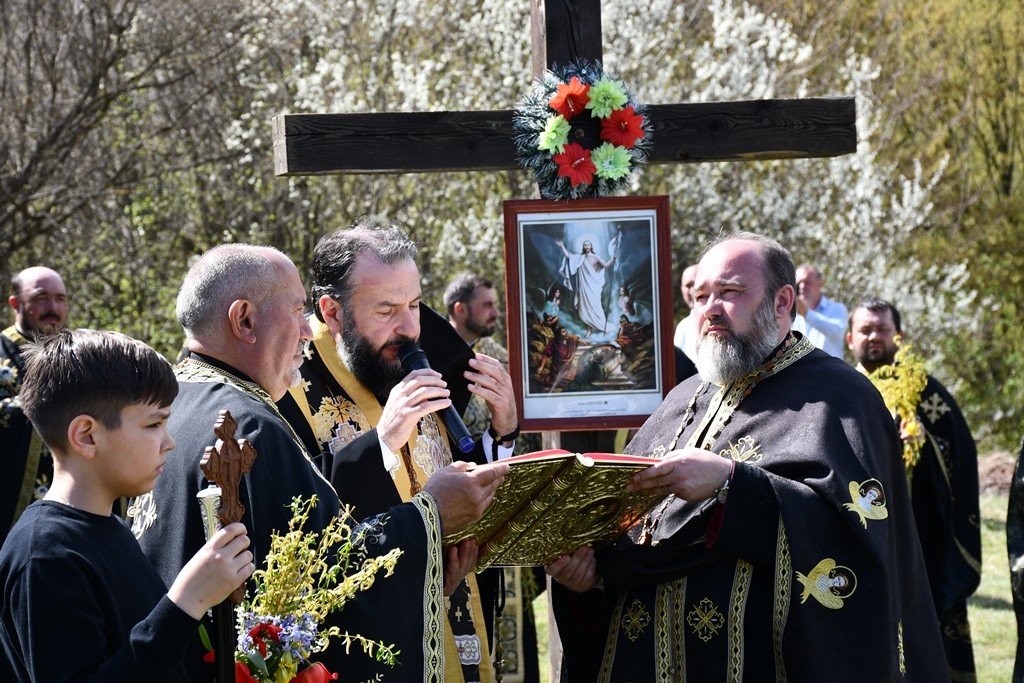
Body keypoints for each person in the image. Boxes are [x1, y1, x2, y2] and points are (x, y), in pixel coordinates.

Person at [548, 232, 946, 681]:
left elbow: (858, 542)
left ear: (782, 301)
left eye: (730, 292)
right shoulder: (680, 400)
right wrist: (590, 577)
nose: (711, 309)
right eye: (701, 296)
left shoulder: (840, 398)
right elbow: (633, 547)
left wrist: (732, 485)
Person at [132, 244, 507, 682]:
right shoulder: (250, 425)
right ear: (244, 320)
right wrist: (432, 516)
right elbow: (324, 582)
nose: (307, 332)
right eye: (295, 312)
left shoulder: (176, 402)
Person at [277, 221, 518, 683]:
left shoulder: (410, 362)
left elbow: (454, 477)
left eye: (413, 304)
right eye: (387, 309)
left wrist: (501, 433)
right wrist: (383, 441)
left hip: (450, 613)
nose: (409, 328)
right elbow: (301, 525)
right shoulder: (288, 383)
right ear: (332, 312)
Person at [0, 329, 254, 682]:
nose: (169, 442)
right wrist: (186, 601)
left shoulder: (109, 524)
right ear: (87, 436)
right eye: (154, 424)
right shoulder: (45, 555)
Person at [847, 297, 981, 680]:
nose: (874, 337)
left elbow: (958, 450)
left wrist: (921, 446)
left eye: (882, 329)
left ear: (899, 336)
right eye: (866, 330)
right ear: (849, 337)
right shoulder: (837, 387)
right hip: (859, 536)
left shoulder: (925, 391)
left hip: (920, 537)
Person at [444, 271, 544, 683]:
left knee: (505, 619)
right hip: (453, 514)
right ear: (459, 309)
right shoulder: (434, 361)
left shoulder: (497, 356)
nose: (495, 313)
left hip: (501, 503)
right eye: (487, 305)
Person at [1, 266, 68, 543]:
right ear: (16, 303)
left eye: (60, 298)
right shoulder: (3, 353)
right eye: (41, 298)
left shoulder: (76, 353)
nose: (52, 307)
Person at [555, 237, 616, 338]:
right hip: (583, 288)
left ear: (591, 246)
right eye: (585, 245)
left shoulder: (596, 257)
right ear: (583, 247)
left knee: (596, 307)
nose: (587, 246)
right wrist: (562, 246)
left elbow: (605, 266)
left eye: (588, 244)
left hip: (593, 288)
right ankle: (589, 330)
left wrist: (612, 259)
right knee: (585, 309)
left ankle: (603, 327)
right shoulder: (580, 258)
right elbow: (568, 256)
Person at [792, 263, 848, 358]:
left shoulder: (836, 308)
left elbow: (837, 332)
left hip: (830, 371)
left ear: (821, 283)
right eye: (798, 283)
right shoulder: (792, 314)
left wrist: (807, 314)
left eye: (807, 282)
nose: (802, 286)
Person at [672, 263, 698, 359]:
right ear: (682, 290)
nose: (692, 291)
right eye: (688, 286)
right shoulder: (683, 327)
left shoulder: (720, 318)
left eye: (695, 284)